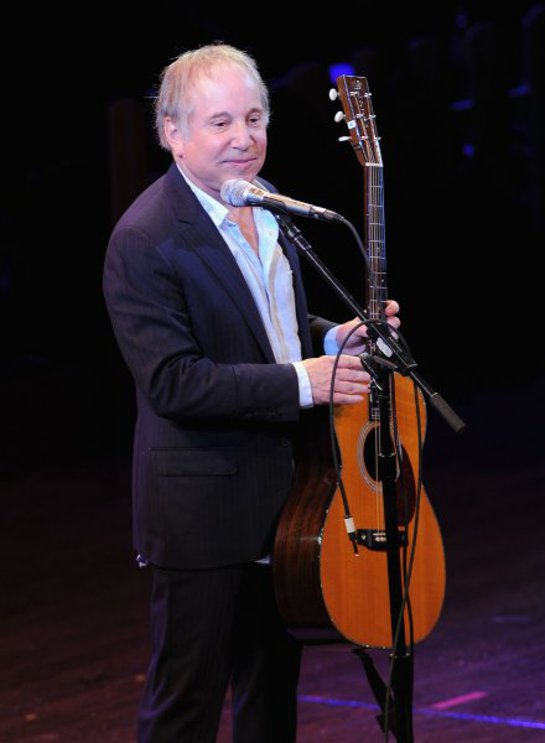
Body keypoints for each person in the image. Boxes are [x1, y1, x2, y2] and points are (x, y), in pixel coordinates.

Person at [103, 43, 400, 743]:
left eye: (254, 118)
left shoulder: (267, 210)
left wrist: (334, 341)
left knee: (271, 697)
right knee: (187, 703)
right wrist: (306, 379)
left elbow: (276, 329)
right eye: (220, 123)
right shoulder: (145, 238)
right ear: (171, 132)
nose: (244, 137)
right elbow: (175, 381)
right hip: (202, 510)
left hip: (288, 502)